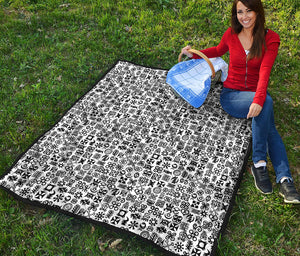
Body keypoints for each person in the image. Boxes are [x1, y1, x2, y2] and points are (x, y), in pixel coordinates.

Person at [181, 0, 300, 204]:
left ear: (258, 11)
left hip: (254, 93)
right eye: (240, 12)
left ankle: (281, 176)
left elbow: (265, 71)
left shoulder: (271, 39)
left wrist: (258, 99)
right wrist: (194, 55)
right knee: (267, 107)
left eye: (249, 11)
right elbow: (218, 50)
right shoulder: (231, 34)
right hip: (232, 95)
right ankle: (266, 167)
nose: (244, 16)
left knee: (267, 115)